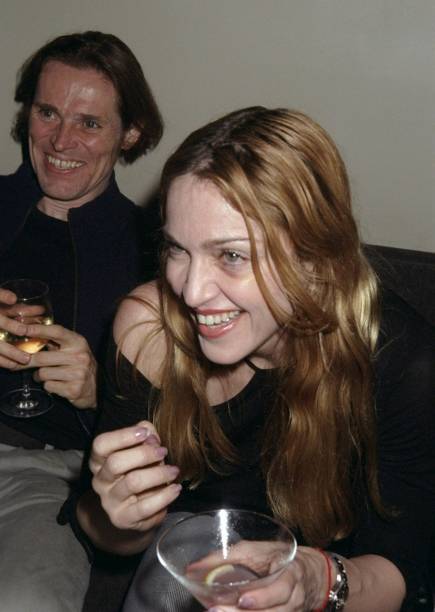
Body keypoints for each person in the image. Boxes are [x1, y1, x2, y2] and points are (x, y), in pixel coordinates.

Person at [67, 107, 435, 611]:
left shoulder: (399, 360)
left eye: (232, 256)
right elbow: (113, 539)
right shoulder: (149, 329)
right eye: (178, 249)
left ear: (315, 258)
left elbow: (399, 573)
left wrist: (314, 580)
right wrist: (121, 517)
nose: (191, 292)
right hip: (192, 544)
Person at [0, 31, 162, 611]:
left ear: (130, 134)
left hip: (50, 473)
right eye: (47, 112)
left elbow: (192, 426)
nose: (61, 140)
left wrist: (102, 394)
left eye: (89, 123)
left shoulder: (157, 252)